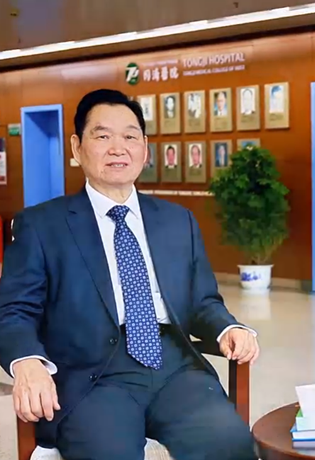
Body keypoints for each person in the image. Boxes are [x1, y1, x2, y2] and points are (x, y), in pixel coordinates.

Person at [0, 89, 259, 459]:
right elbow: (14, 311)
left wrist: (227, 327)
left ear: (145, 149)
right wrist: (26, 360)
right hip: (91, 375)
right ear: (77, 148)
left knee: (229, 443)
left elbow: (203, 301)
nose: (118, 148)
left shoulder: (177, 220)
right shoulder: (41, 225)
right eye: (103, 136)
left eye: (130, 136)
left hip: (175, 367)